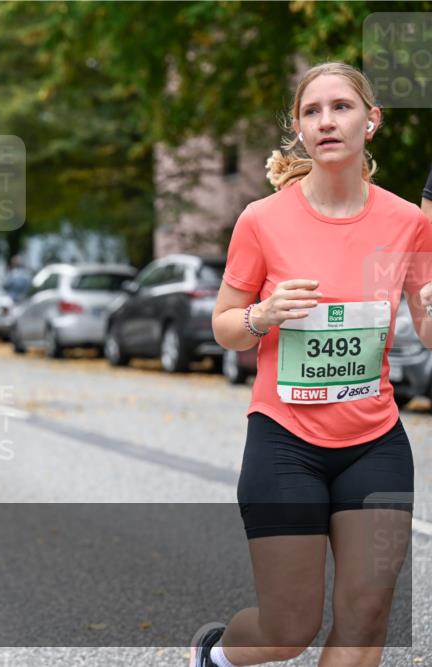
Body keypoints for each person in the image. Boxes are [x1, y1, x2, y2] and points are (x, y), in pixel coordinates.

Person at [193, 62, 432, 667]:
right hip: (285, 443)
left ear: (371, 122)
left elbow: (428, 333)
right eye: (312, 111)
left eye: (342, 107)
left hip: (374, 443)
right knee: (288, 629)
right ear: (298, 130)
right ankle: (216, 656)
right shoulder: (262, 219)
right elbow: (224, 327)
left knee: (366, 618)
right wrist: (264, 313)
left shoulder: (408, 223)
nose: (327, 121)